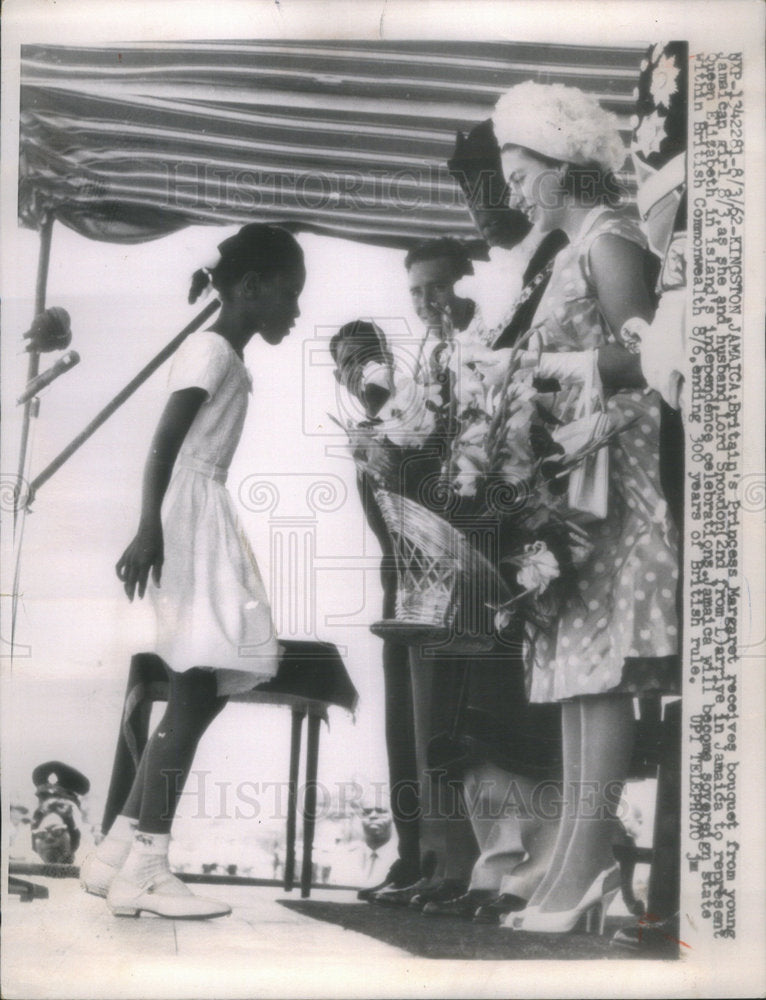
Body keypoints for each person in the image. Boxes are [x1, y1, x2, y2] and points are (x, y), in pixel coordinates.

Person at [491, 81, 679, 934]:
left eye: (520, 168)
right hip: (575, 485)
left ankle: (585, 867)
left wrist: (542, 377)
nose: (513, 189)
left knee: (598, 667)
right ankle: (572, 857)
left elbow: (649, 360)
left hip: (617, 485)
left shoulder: (612, 237)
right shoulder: (565, 251)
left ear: (564, 165)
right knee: (573, 670)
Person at [80, 223, 305, 920]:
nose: (294, 313)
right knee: (194, 685)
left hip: (201, 513)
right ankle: (147, 863)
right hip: (189, 517)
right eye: (288, 297)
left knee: (200, 692)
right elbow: (163, 446)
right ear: (249, 287)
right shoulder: (209, 350)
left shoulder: (227, 356)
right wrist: (149, 528)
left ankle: (116, 851)